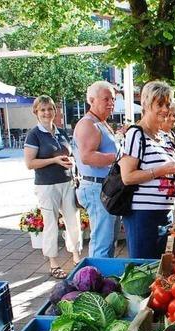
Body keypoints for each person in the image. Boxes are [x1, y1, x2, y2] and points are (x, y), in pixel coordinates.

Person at [118, 81, 175, 259]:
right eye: (160, 104)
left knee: (160, 266)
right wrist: (162, 170)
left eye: (168, 104)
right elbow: (127, 176)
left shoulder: (164, 137)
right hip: (143, 216)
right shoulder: (136, 134)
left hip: (165, 214)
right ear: (146, 105)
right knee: (144, 266)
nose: (165, 109)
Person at [24, 95, 81, 278]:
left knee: (73, 221)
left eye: (50, 109)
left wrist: (71, 161)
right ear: (36, 112)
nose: (47, 113)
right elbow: (30, 163)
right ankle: (53, 262)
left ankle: (76, 257)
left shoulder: (61, 132)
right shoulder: (34, 134)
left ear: (54, 111)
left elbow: (70, 153)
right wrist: (54, 160)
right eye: (43, 110)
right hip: (47, 185)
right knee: (51, 223)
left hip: (67, 182)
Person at [72, 81, 119, 258]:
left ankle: (104, 277)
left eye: (113, 99)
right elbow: (87, 156)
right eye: (106, 99)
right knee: (102, 241)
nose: (111, 103)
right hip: (96, 188)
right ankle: (95, 280)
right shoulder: (88, 124)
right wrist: (119, 158)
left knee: (108, 239)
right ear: (91, 100)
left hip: (105, 187)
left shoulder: (101, 122)